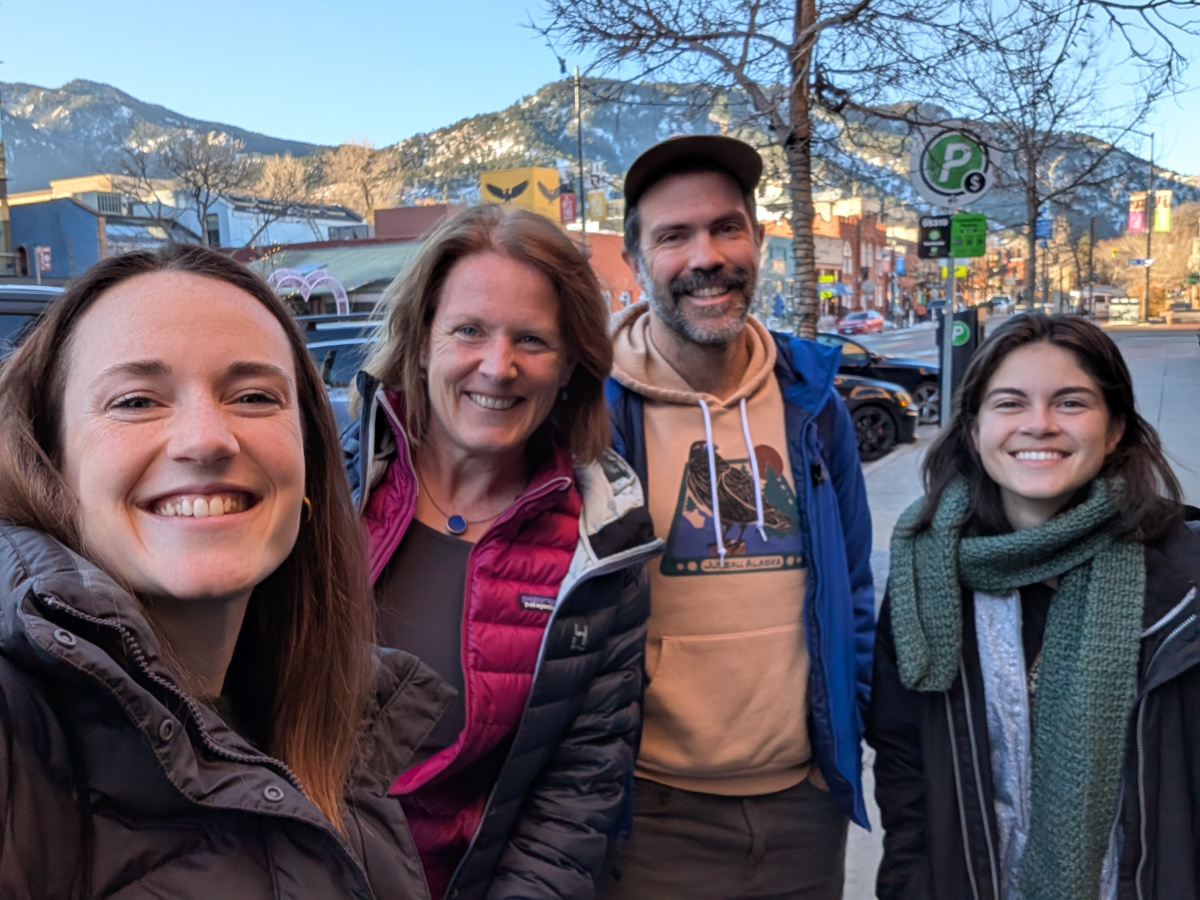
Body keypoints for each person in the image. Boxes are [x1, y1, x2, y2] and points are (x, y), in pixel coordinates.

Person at [0, 245, 452, 898]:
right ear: (49, 457)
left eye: (254, 396)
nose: (208, 438)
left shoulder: (334, 713)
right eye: (136, 401)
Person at [342, 204, 660, 900]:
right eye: (469, 331)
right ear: (421, 340)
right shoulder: (327, 485)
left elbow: (577, 794)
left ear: (570, 365)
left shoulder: (600, 550)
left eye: (532, 340)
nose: (498, 366)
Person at [600, 134, 875, 899]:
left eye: (726, 228)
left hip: (805, 809)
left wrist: (845, 733)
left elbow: (853, 588)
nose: (707, 257)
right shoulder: (593, 416)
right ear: (635, 261)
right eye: (674, 236)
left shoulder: (813, 405)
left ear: (756, 240)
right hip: (651, 818)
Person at [869, 313, 1200, 900]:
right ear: (975, 429)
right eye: (1010, 403)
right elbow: (904, 763)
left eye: (1071, 403)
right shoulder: (927, 574)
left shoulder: (1185, 580)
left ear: (1115, 428)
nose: (1040, 425)